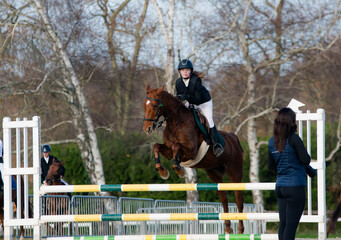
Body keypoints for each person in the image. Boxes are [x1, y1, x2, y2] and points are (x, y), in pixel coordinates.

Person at [268, 107, 317, 240]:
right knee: (290, 226)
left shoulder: (271, 142)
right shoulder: (294, 139)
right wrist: (312, 172)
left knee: (283, 225)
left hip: (280, 188)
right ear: (291, 122)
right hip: (295, 187)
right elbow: (305, 159)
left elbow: (271, 167)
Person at [175, 59, 224, 157]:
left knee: (209, 120)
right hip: (191, 102)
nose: (185, 72)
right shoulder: (178, 82)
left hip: (204, 102)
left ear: (191, 71)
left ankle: (217, 145)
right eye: (183, 70)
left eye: (187, 70)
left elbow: (197, 100)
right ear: (179, 71)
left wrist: (186, 97)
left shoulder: (195, 80)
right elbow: (179, 98)